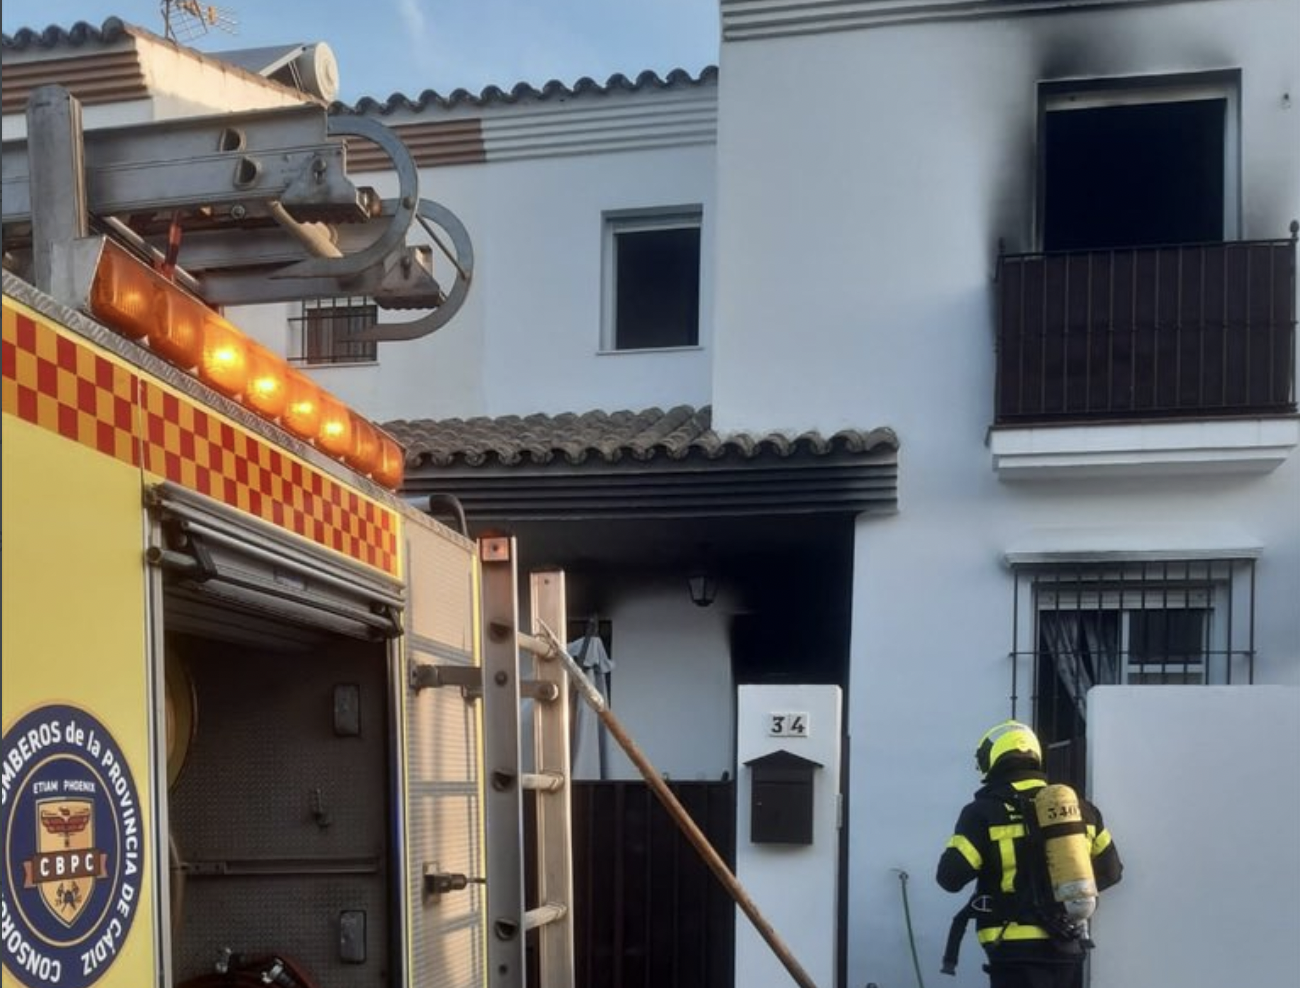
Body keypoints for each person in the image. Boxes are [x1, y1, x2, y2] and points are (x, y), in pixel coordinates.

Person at [936, 720, 1122, 988]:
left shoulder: (982, 813)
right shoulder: (1080, 810)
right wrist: (1060, 898)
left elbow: (950, 878)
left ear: (992, 759)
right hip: (1067, 942)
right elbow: (1111, 872)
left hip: (1011, 947)